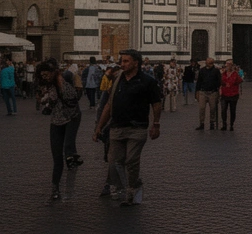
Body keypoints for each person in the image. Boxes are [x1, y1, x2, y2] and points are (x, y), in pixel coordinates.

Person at [93, 49, 163, 206]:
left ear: (136, 63)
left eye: (126, 61)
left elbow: (156, 104)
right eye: (121, 61)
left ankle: (132, 189)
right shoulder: (117, 79)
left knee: (131, 160)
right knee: (114, 162)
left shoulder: (148, 81)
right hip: (116, 127)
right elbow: (109, 105)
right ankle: (124, 188)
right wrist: (99, 127)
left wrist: (156, 124)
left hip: (137, 128)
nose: (122, 64)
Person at [36, 60, 84, 200]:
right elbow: (46, 101)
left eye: (47, 74)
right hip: (56, 121)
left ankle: (72, 158)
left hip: (71, 118)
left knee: (68, 145)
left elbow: (72, 97)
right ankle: (55, 188)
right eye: (42, 75)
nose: (45, 77)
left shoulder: (62, 82)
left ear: (53, 73)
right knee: (57, 158)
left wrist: (57, 88)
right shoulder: (47, 85)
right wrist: (43, 99)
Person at [194, 58, 221, 130]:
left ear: (211, 63)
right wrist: (197, 92)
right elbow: (199, 82)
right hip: (203, 92)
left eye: (208, 62)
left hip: (212, 92)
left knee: (213, 108)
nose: (206, 63)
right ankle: (201, 123)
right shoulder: (202, 70)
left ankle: (212, 123)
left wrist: (218, 91)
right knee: (202, 108)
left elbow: (219, 81)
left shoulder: (216, 71)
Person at [219, 60, 242, 131]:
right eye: (226, 64)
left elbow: (240, 81)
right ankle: (224, 124)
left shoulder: (235, 74)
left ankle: (231, 124)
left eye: (228, 64)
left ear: (231, 66)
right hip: (224, 94)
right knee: (223, 110)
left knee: (232, 110)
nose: (226, 65)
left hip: (233, 95)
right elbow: (220, 82)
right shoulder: (223, 74)